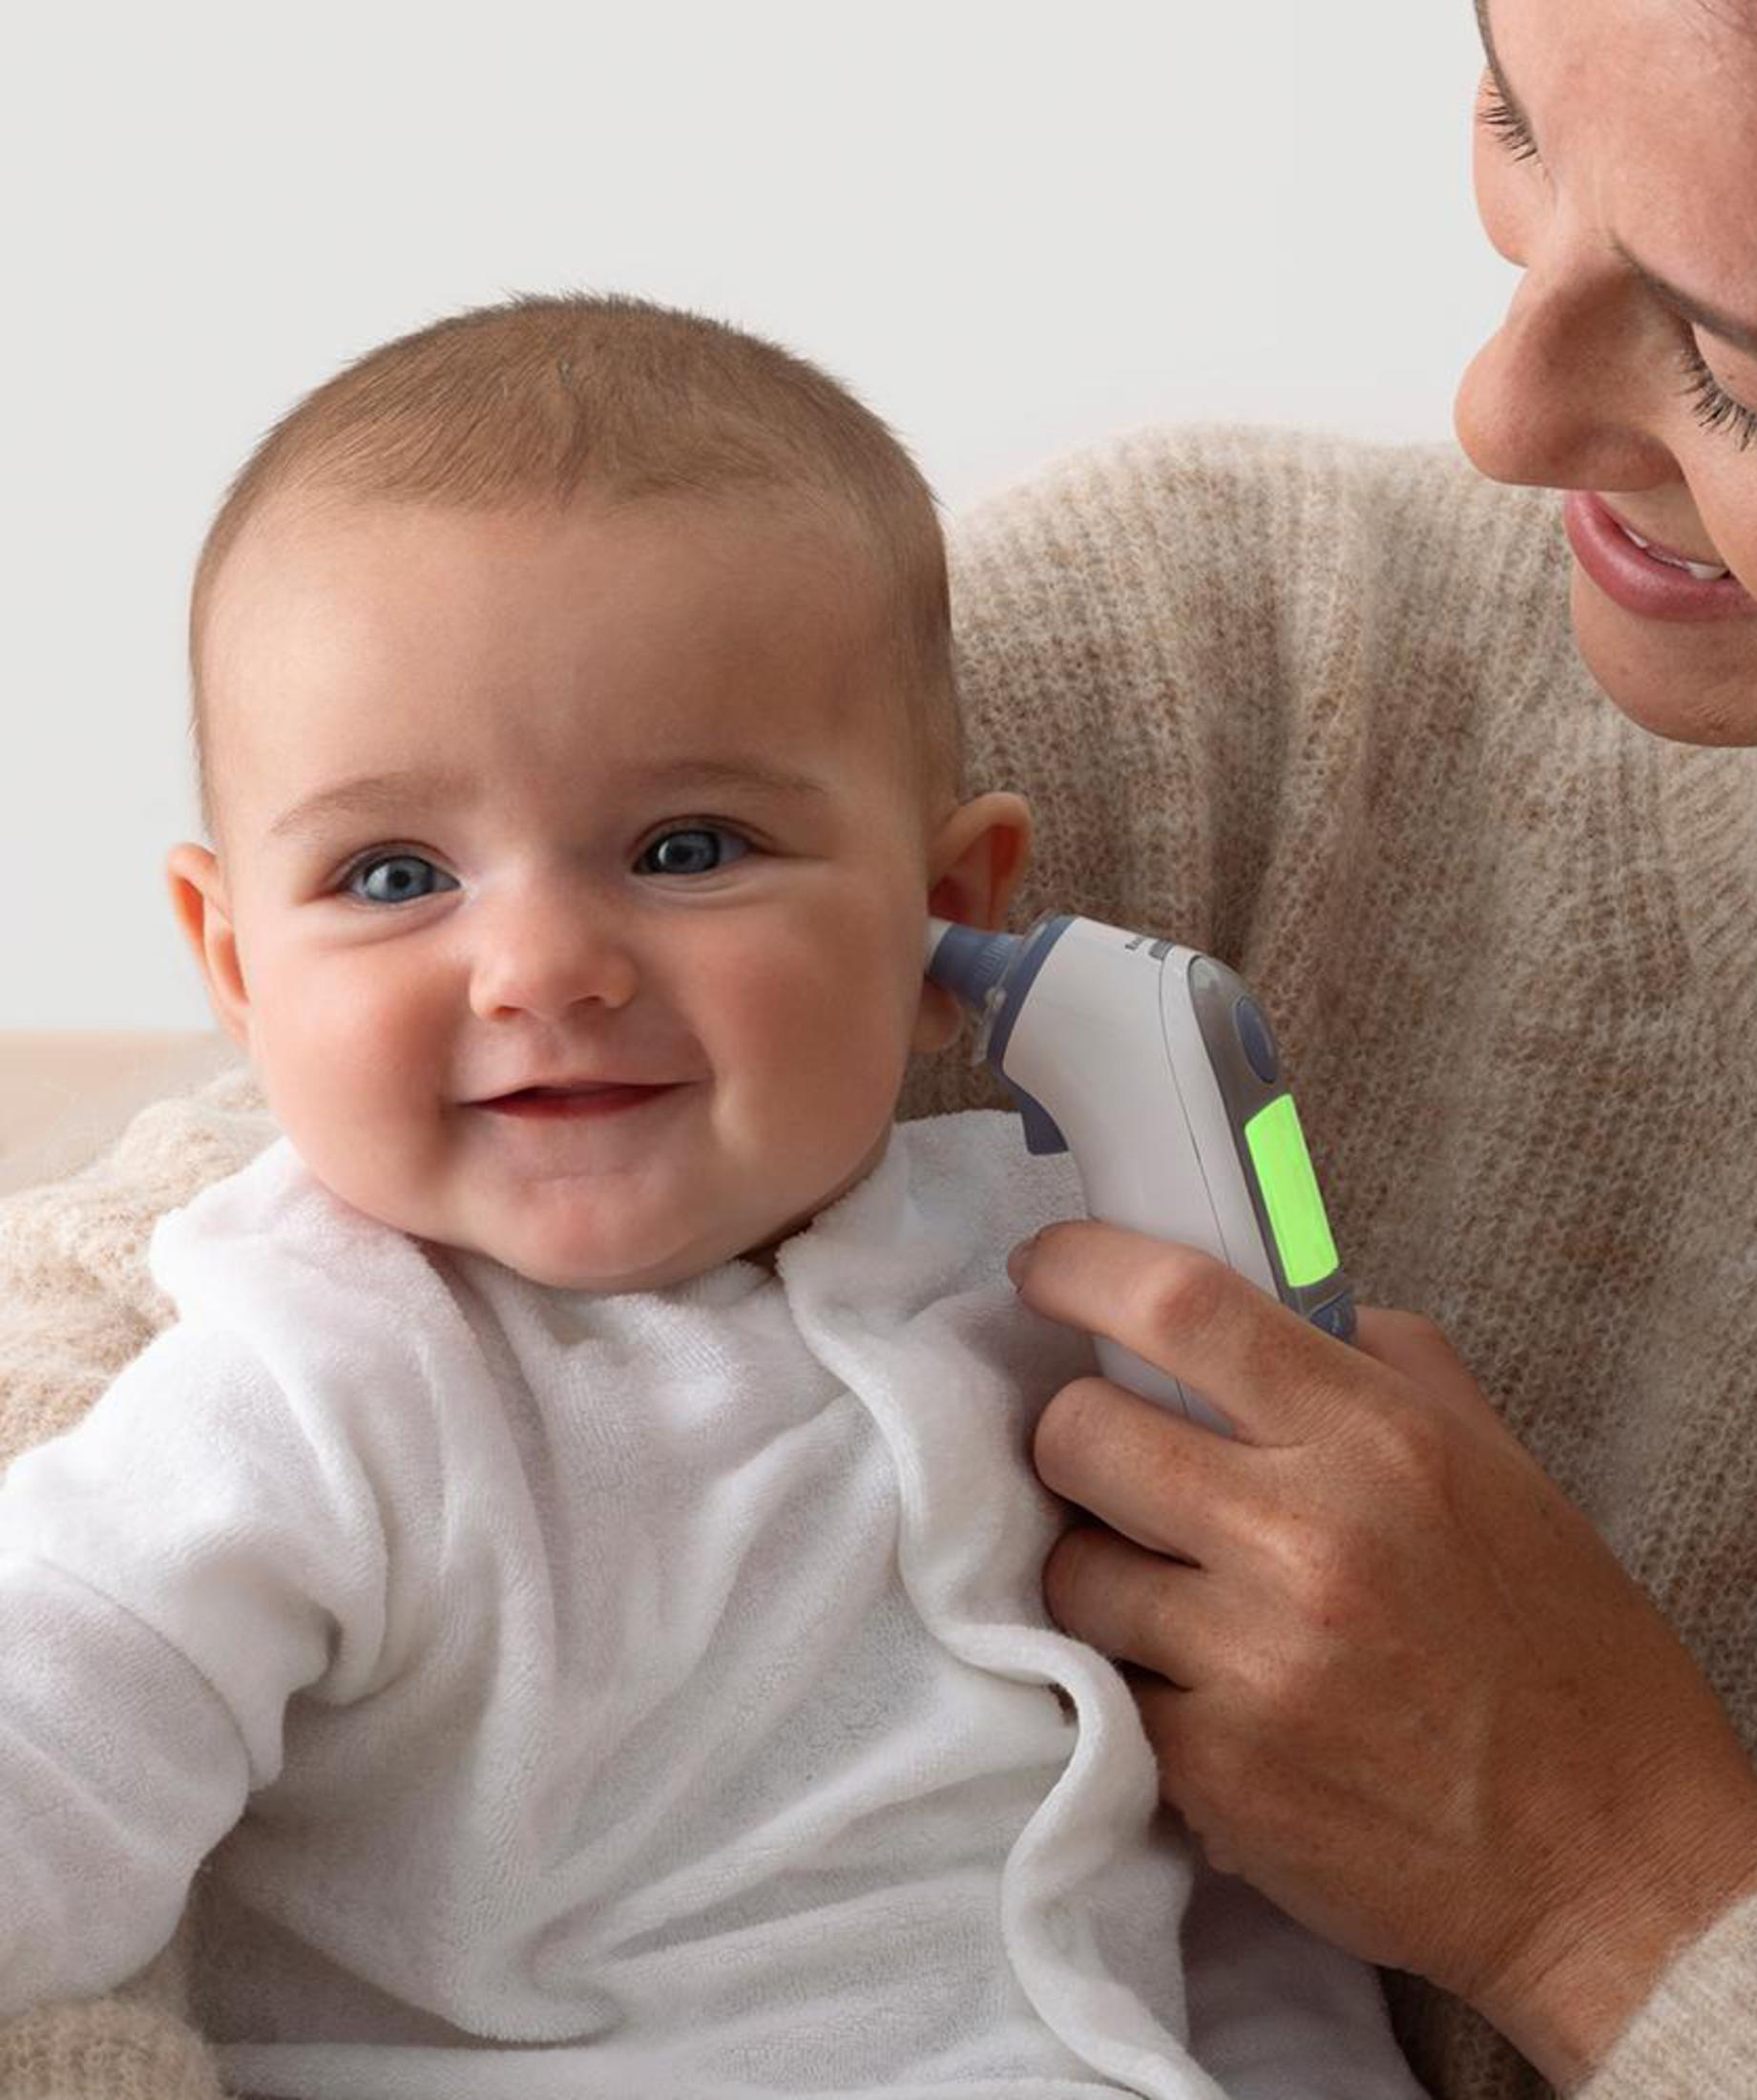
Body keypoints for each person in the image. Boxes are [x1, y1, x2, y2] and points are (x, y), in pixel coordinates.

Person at [1, 0, 1757, 2090]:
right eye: (1514, 120)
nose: (1491, 409)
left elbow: (1215, 1929)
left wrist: (1604, 1901)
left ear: (958, 902)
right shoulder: (330, 1369)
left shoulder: (1021, 1281)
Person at [0, 293, 1424, 2100]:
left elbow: (1234, 1880)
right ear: (235, 965)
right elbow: (48, 1743)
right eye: (393, 872)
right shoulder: (316, 1379)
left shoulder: (1062, 1297)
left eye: (687, 850)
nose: (540, 964)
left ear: (948, 918)